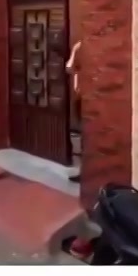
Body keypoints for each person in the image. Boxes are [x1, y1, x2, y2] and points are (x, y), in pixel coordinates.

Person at [65, 40, 82, 183]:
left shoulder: (79, 46)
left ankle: (84, 170)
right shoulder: (80, 47)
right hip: (81, 97)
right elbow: (70, 67)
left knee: (85, 135)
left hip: (82, 96)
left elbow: (69, 67)